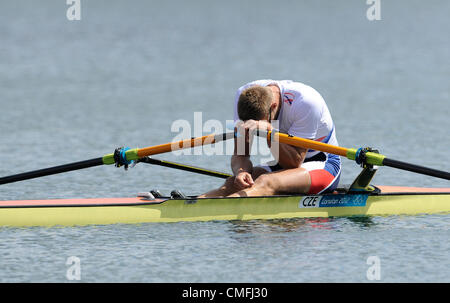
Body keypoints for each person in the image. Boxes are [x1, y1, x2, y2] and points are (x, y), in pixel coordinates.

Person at [199, 79, 341, 198]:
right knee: (231, 184)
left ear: (272, 106)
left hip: (323, 163)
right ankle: (193, 207)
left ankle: (222, 208)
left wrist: (269, 131)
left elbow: (294, 163)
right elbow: (241, 154)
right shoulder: (243, 96)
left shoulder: (306, 103)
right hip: (284, 160)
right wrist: (241, 172)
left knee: (265, 182)